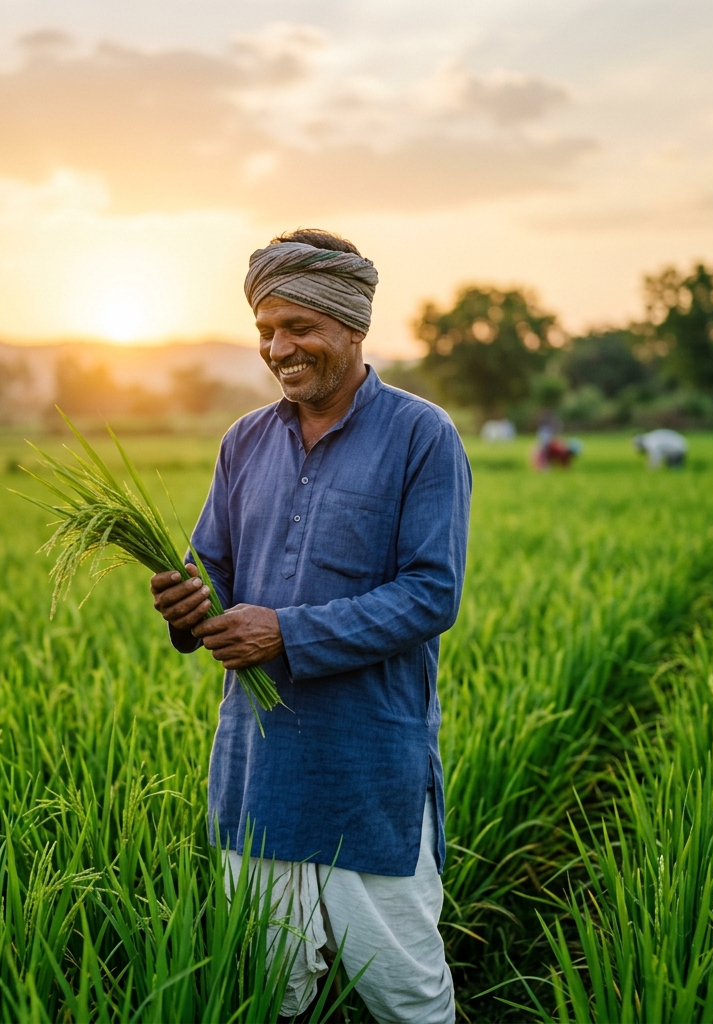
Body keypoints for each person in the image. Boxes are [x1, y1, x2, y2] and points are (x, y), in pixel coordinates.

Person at [150, 229, 471, 1023]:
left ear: (352, 327)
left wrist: (286, 632)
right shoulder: (244, 441)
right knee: (269, 991)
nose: (278, 347)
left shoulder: (421, 436)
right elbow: (213, 571)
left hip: (367, 767)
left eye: (299, 327)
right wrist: (188, 608)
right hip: (257, 770)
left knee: (405, 992)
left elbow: (433, 594)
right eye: (265, 329)